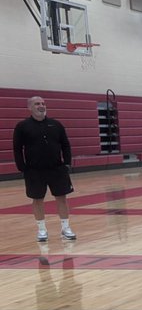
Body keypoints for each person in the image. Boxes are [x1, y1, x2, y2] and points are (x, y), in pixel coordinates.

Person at [12, 95, 76, 242]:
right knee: (37, 199)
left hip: (57, 169)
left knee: (62, 198)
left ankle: (66, 228)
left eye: (43, 103)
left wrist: (66, 163)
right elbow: (17, 148)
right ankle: (42, 230)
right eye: (37, 104)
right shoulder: (22, 126)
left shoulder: (56, 124)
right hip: (34, 170)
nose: (41, 106)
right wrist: (22, 167)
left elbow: (65, 145)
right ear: (29, 107)